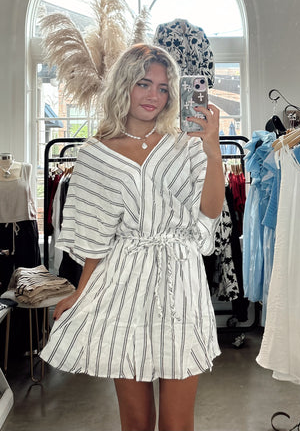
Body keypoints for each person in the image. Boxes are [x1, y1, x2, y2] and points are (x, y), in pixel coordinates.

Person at [40, 43, 225, 431]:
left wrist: (212, 151)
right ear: (124, 85)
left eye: (162, 88)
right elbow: (95, 239)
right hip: (123, 283)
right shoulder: (95, 153)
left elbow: (209, 212)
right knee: (136, 422)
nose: (153, 96)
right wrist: (80, 291)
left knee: (177, 424)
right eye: (144, 83)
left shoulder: (185, 144)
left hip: (180, 282)